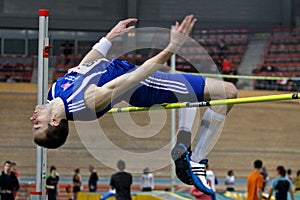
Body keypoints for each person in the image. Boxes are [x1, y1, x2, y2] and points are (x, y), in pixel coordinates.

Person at [30, 15, 237, 195]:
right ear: (55, 121)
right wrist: (172, 48)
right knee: (228, 92)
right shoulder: (86, 102)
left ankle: (184, 143)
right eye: (38, 125)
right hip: (144, 84)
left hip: (134, 72)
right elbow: (136, 77)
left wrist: (109, 38)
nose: (33, 119)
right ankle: (197, 159)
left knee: (188, 93)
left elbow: (83, 68)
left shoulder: (54, 93)